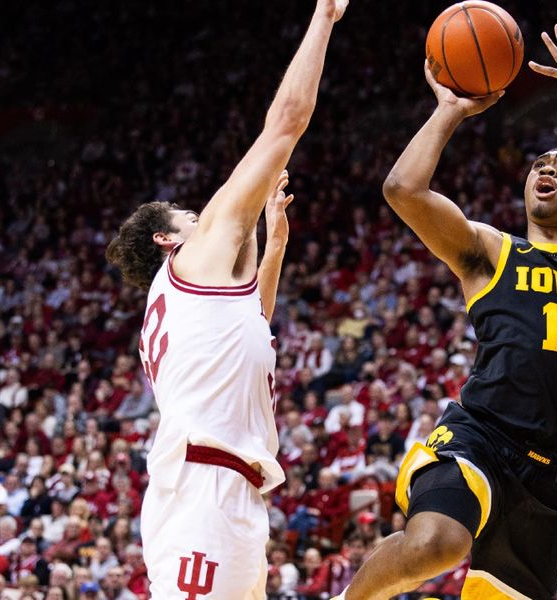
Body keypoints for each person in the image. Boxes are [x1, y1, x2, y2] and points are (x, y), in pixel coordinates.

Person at [336, 24, 557, 600]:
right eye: (539, 162)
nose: (545, 169)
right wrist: (449, 111)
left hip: (552, 476)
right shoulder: (492, 252)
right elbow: (404, 190)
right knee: (434, 544)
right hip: (481, 435)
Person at [104, 0, 350, 596]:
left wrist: (275, 245)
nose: (207, 217)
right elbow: (284, 125)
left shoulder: (194, 303)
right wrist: (323, 17)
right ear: (168, 239)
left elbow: (251, 326)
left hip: (228, 491)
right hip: (203, 489)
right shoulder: (191, 261)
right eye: (191, 216)